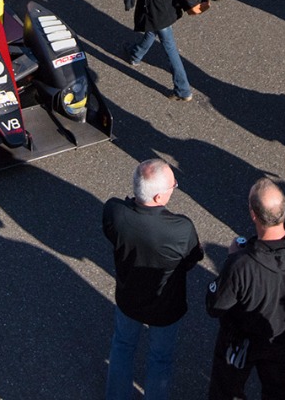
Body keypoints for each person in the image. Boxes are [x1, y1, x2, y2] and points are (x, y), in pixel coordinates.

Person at [205, 178, 285, 400]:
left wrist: (231, 259)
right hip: (281, 339)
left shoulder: (242, 264)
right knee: (276, 391)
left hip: (240, 342)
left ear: (253, 215)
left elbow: (215, 305)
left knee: (226, 391)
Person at [101, 159, 204, 400]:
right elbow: (191, 260)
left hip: (128, 298)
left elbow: (109, 232)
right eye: (173, 186)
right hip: (165, 307)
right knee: (160, 359)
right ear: (158, 197)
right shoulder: (181, 229)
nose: (174, 188)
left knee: (122, 346)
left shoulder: (114, 211)